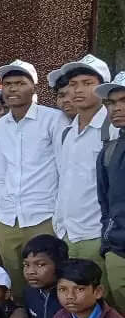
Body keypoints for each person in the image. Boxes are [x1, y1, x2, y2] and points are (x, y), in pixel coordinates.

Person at [0, 59, 65, 299]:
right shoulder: (1, 125)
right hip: (7, 218)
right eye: (8, 84)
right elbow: (1, 173)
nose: (13, 89)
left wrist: (58, 214)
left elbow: (64, 169)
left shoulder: (53, 119)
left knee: (49, 279)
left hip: (43, 215)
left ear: (33, 87)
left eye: (20, 83)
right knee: (18, 280)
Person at [52, 55, 116, 280]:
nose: (77, 90)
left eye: (87, 84)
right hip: (66, 233)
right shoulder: (67, 132)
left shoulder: (113, 130)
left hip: (97, 234)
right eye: (73, 84)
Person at [97, 70, 125, 310]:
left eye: (124, 101)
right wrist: (108, 243)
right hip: (119, 250)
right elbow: (104, 202)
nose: (116, 108)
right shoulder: (109, 151)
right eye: (112, 102)